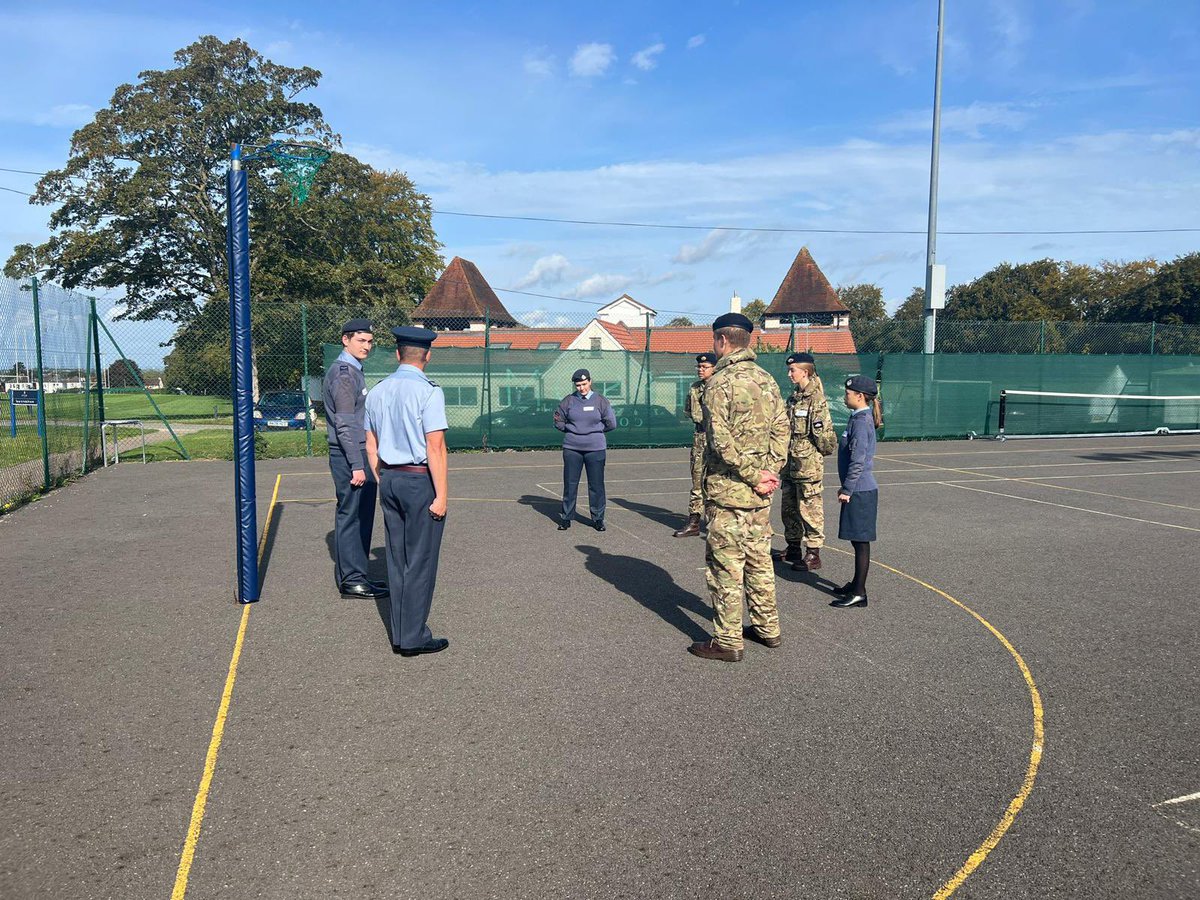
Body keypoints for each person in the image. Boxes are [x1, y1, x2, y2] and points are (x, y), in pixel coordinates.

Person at [689, 313, 789, 662]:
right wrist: (770, 472)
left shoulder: (719, 383)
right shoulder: (768, 381)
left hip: (731, 492)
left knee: (726, 568)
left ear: (721, 341)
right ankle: (767, 628)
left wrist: (753, 474)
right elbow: (782, 431)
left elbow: (719, 442)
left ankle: (728, 640)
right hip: (760, 495)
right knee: (760, 562)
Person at [364, 326, 450, 656]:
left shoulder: (378, 391)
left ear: (398, 354)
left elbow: (370, 446)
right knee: (421, 560)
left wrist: (383, 477)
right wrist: (441, 495)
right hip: (418, 480)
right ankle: (413, 637)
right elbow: (436, 447)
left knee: (397, 559)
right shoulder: (429, 392)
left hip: (389, 478)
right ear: (427, 355)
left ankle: (401, 633)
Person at [323, 318, 387, 600]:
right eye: (361, 340)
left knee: (362, 516)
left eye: (370, 341)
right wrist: (357, 465)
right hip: (350, 454)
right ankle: (351, 580)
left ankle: (359, 575)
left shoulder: (353, 371)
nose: (367, 346)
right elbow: (345, 423)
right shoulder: (344, 374)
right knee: (351, 516)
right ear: (345, 340)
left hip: (358, 451)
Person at [776, 352, 836, 572]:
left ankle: (813, 553)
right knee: (789, 507)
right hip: (790, 462)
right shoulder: (793, 398)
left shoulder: (816, 399)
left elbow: (824, 437)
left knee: (810, 507)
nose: (790, 374)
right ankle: (793, 547)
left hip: (808, 463)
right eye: (789, 370)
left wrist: (814, 455)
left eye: (793, 370)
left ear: (806, 371)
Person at [832, 374, 883, 609]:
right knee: (856, 540)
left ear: (860, 397)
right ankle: (855, 584)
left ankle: (860, 592)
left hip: (861, 490)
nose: (845, 397)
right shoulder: (857, 418)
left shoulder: (862, 421)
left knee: (861, 542)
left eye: (848, 394)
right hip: (858, 490)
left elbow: (858, 459)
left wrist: (848, 488)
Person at [553, 368, 617, 531]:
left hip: (595, 448)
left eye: (584, 383)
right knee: (570, 484)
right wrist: (571, 429)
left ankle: (597, 519)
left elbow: (611, 423)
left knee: (596, 485)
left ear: (590, 382)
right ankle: (566, 518)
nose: (581, 388)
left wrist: (594, 431)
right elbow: (558, 420)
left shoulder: (601, 401)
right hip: (572, 448)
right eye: (578, 385)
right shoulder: (568, 401)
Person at [673, 352, 717, 538]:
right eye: (698, 367)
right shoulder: (694, 388)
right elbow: (689, 411)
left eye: (704, 367)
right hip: (700, 436)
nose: (700, 370)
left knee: (715, 481)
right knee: (697, 479)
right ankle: (694, 521)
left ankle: (715, 524)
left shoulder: (720, 387)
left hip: (717, 437)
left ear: (715, 368)